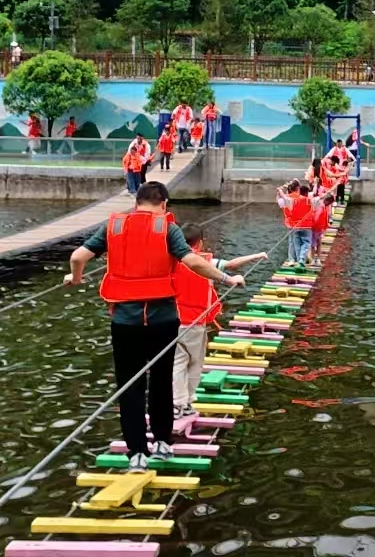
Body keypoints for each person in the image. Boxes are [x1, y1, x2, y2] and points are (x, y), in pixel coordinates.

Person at [63, 181, 247, 470]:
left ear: (136, 202)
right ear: (164, 203)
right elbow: (193, 262)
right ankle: (162, 442)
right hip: (162, 320)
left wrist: (75, 278)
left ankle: (137, 452)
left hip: (125, 321)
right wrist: (227, 279)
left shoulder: (114, 227)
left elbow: (77, 257)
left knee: (130, 385)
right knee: (161, 381)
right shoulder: (167, 229)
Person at [172, 223, 266, 419]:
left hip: (171, 320)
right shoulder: (205, 261)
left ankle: (176, 403)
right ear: (200, 242)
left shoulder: (169, 261)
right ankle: (186, 403)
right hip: (194, 322)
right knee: (195, 363)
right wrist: (255, 256)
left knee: (177, 363)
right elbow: (231, 265)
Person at [278, 180, 317, 267]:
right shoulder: (304, 198)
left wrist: (280, 192)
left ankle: (292, 259)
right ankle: (300, 260)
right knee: (303, 242)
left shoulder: (287, 199)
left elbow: (280, 201)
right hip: (304, 224)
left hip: (291, 224)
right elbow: (314, 194)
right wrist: (315, 184)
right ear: (298, 188)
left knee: (293, 243)